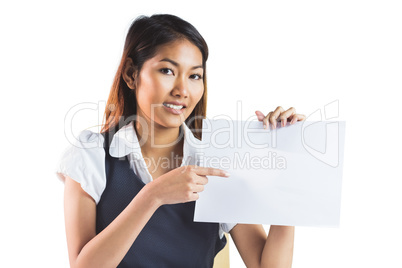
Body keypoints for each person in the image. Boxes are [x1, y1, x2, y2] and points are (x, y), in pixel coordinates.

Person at [56, 14, 306, 268]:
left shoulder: (215, 161)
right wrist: (152, 196)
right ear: (132, 74)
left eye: (194, 76)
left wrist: (285, 170)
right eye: (167, 71)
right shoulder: (93, 156)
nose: (182, 90)